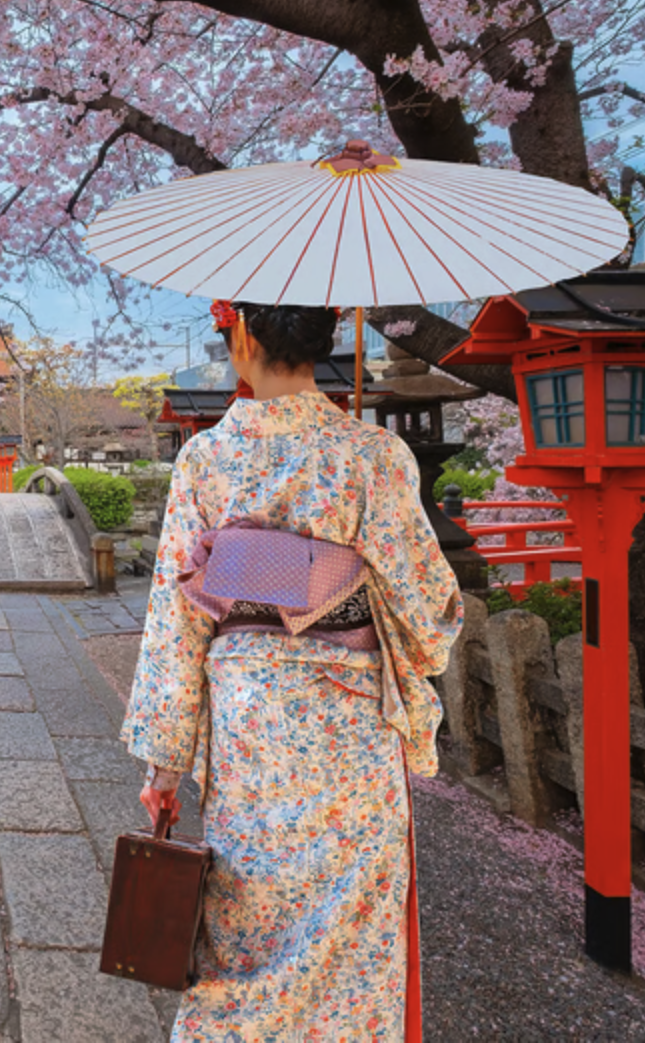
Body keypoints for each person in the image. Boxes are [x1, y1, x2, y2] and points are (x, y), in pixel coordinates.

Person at [122, 299, 462, 1042]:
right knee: (349, 926)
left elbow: (177, 617)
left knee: (248, 916)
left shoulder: (207, 457)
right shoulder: (370, 453)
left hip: (249, 720)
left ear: (242, 335)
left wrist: (165, 762)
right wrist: (342, 589)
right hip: (347, 720)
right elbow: (429, 606)